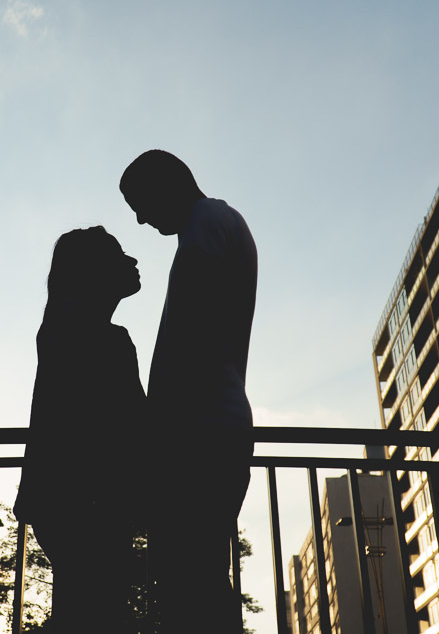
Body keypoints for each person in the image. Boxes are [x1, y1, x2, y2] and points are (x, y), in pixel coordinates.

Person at [119, 149, 258, 634]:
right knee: (195, 580)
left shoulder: (206, 222)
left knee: (188, 584)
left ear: (168, 184)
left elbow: (187, 332)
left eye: (141, 202)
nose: (139, 218)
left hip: (199, 433)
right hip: (208, 428)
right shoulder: (213, 224)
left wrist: (155, 431)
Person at [14, 226, 147, 634]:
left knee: (82, 611)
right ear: (96, 273)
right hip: (92, 504)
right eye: (120, 255)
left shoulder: (61, 331)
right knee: (99, 615)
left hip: (66, 503)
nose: (134, 261)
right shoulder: (103, 341)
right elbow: (135, 424)